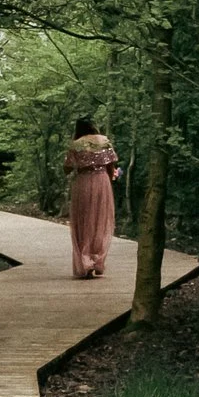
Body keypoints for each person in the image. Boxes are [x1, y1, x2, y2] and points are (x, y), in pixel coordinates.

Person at [63, 117, 119, 279]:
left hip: (83, 182)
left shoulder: (76, 144)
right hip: (102, 181)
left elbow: (66, 168)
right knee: (101, 220)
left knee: (83, 221)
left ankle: (84, 262)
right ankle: (97, 260)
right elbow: (111, 166)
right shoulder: (104, 141)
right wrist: (108, 182)